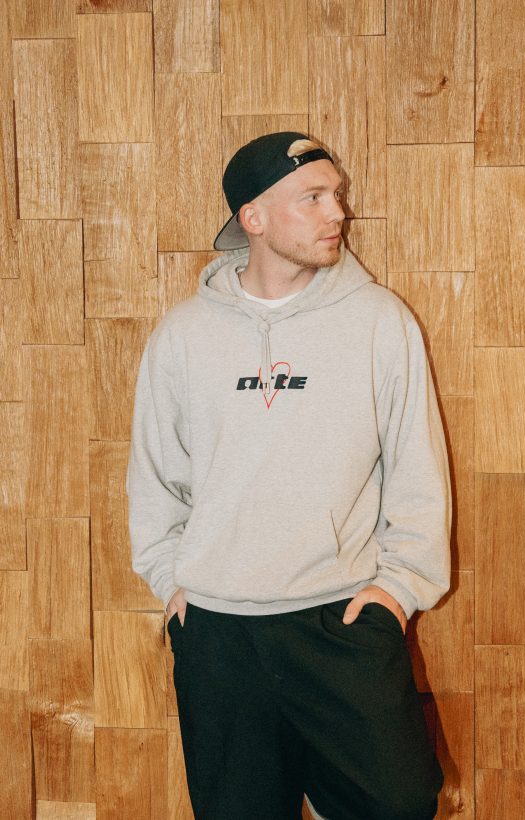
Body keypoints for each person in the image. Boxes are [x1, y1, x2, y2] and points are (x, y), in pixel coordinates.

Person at [126, 131, 452, 820]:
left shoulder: (379, 322)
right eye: (313, 198)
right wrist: (173, 582)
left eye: (337, 195)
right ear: (253, 217)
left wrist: (397, 593)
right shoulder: (183, 335)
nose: (338, 212)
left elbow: (416, 470)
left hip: (343, 622)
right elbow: (155, 476)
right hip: (219, 633)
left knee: (399, 804)